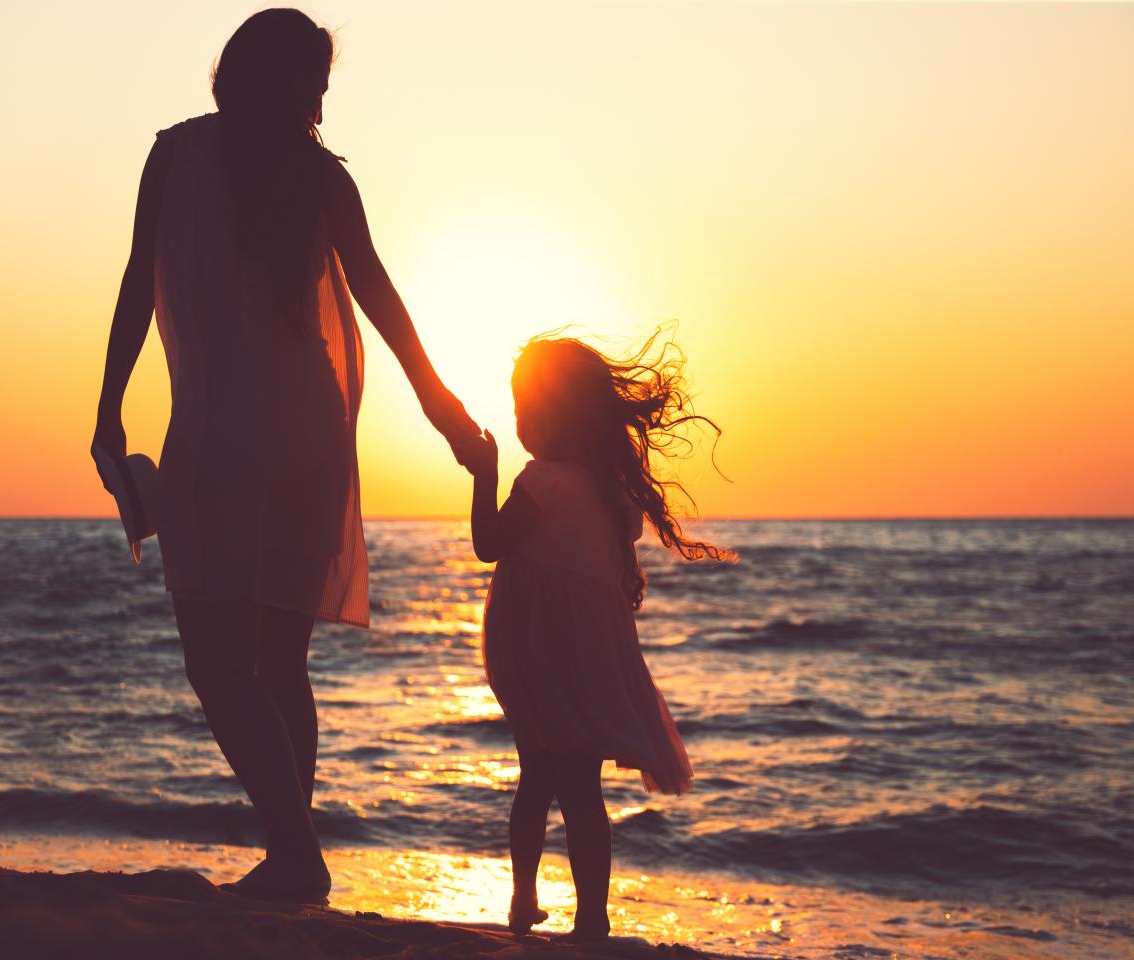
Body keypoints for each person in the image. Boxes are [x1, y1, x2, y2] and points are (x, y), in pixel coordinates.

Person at [91, 9, 478, 903]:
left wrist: (110, 404)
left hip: (222, 430)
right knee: (276, 664)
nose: (320, 103)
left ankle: (295, 852)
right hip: (305, 436)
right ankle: (290, 858)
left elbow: (135, 279)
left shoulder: (176, 156)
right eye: (316, 86)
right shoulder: (319, 178)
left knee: (215, 661)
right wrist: (441, 407)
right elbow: (378, 294)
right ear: (293, 86)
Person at [451, 332, 734, 941]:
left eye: (527, 407)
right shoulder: (613, 493)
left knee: (537, 773)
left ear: (555, 414)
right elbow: (614, 569)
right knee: (581, 784)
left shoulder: (541, 482)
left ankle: (523, 901)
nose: (521, 421)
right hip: (587, 651)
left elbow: (487, 547)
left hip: (532, 643)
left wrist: (485, 473)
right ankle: (592, 918)